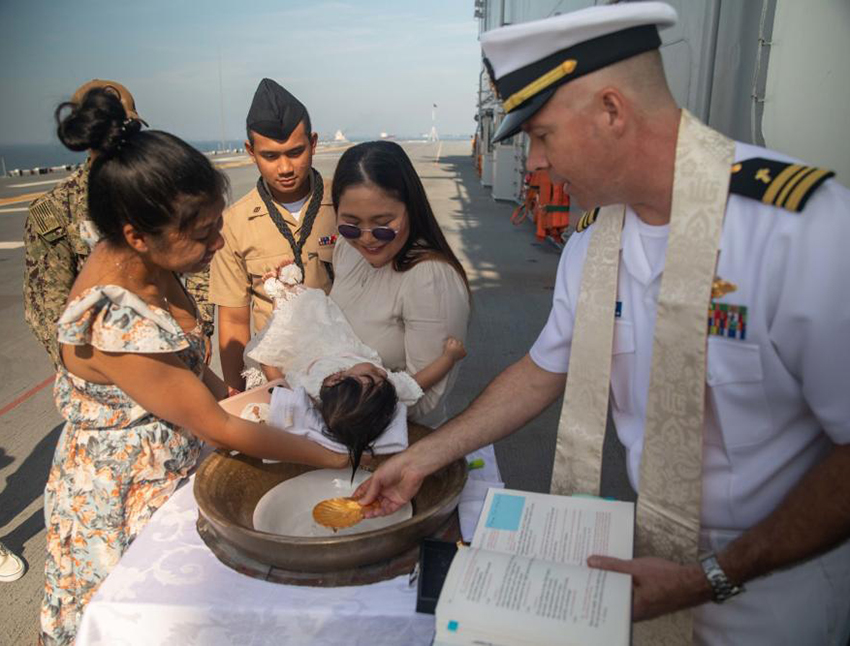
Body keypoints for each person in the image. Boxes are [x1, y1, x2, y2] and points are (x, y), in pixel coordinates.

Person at [355, 4, 850, 645]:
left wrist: (716, 576)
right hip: (651, 555)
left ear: (612, 111)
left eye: (541, 135)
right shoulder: (596, 241)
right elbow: (542, 371)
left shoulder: (805, 231)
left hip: (780, 586)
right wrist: (426, 456)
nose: (532, 164)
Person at [40, 88, 347, 646]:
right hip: (127, 494)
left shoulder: (140, 251)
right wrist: (335, 458)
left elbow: (202, 385)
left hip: (177, 463)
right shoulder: (114, 325)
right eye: (204, 235)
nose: (220, 241)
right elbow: (217, 424)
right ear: (137, 235)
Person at [23, 79, 213, 367]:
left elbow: (198, 254)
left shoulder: (164, 190)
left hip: (175, 344)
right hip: (109, 359)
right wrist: (91, 367)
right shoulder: (55, 210)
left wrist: (198, 330)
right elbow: (48, 307)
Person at [246, 262, 468, 473]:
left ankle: (279, 293)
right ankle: (289, 286)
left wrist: (267, 356)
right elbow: (420, 381)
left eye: (372, 373)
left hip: (303, 352)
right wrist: (449, 357)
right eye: (382, 376)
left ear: (336, 378)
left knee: (285, 325)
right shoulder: (380, 393)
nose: (381, 372)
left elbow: (279, 384)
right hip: (336, 338)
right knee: (318, 309)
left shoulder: (310, 392)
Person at [329, 141, 471, 427]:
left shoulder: (428, 278)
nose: (366, 239)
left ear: (410, 208)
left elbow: (427, 398)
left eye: (383, 224)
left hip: (396, 442)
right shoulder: (347, 250)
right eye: (350, 224)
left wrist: (344, 411)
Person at [210, 78, 337, 393]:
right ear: (251, 152)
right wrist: (238, 397)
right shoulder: (234, 224)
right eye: (270, 156)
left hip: (345, 367)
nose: (285, 168)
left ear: (314, 143)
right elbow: (234, 321)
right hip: (274, 379)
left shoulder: (348, 204)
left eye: (295, 152)